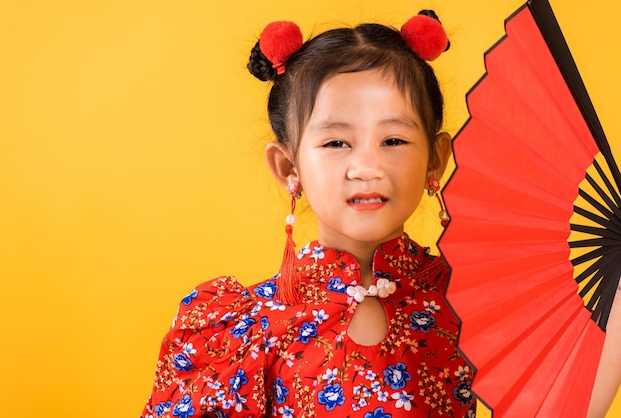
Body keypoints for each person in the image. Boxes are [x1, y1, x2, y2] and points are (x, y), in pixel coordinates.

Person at [141, 10, 477, 417]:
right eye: (336, 143)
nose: (367, 167)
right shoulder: (248, 328)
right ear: (288, 168)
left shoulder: (477, 307)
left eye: (393, 139)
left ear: (435, 161)